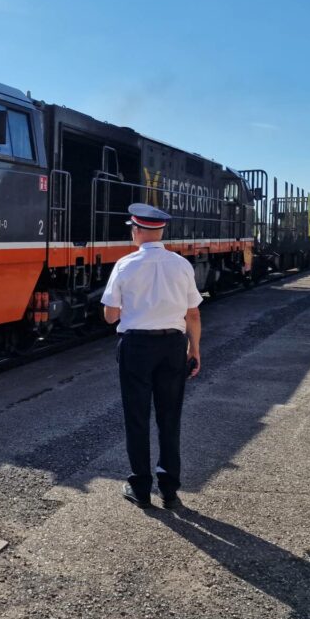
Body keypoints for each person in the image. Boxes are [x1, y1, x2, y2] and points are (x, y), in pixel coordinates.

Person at [101, 202, 203, 509]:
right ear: (160, 231)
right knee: (169, 418)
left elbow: (110, 316)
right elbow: (193, 314)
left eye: (132, 229)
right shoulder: (182, 265)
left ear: (137, 230)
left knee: (137, 418)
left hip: (136, 349)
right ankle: (169, 491)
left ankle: (141, 489)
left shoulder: (124, 265)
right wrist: (194, 349)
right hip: (173, 347)